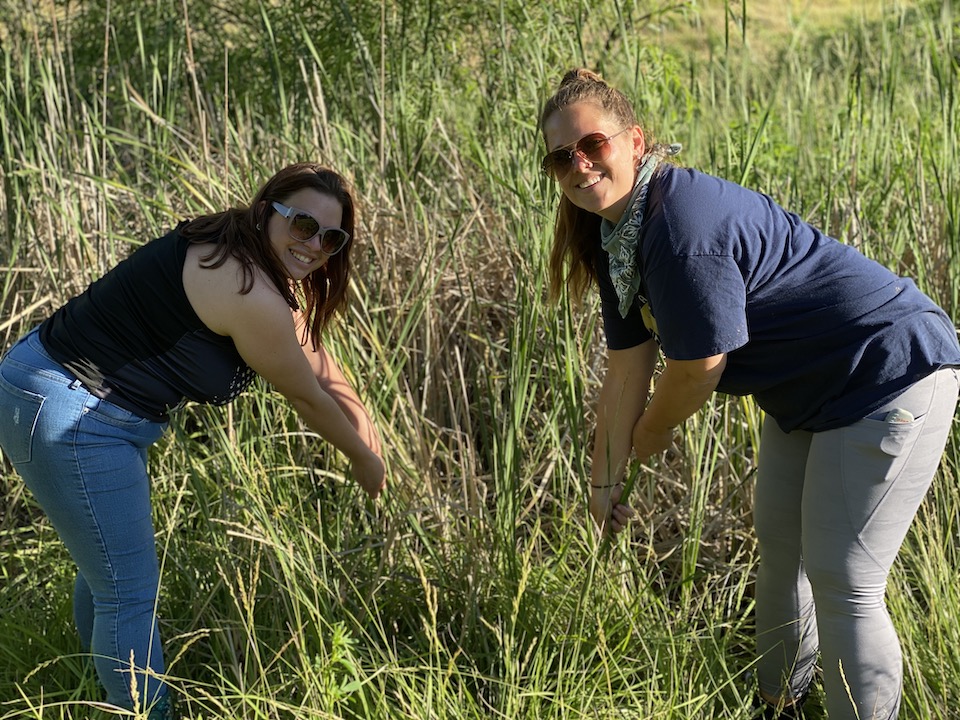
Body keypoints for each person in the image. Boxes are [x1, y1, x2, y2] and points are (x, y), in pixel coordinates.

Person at [538, 68, 960, 719]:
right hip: (807, 392)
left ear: (635, 140)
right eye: (561, 156)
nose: (580, 163)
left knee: (845, 581)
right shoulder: (618, 238)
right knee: (783, 550)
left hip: (888, 371)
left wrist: (652, 435)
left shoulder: (679, 229)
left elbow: (699, 366)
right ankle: (778, 706)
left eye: (593, 143)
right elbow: (624, 373)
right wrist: (604, 487)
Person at [0, 163, 386, 719]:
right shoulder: (247, 289)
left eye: (332, 237)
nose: (315, 245)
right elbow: (304, 395)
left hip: (69, 398)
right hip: (71, 411)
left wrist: (366, 432)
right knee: (128, 594)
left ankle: (100, 690)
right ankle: (143, 711)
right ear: (267, 210)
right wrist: (362, 460)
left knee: (108, 573)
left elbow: (317, 361)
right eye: (304, 225)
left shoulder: (246, 250)